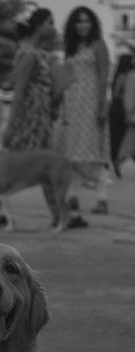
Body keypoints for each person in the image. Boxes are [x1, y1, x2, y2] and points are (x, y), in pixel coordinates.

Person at [0, 8, 57, 226]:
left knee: (40, 165)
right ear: (39, 25)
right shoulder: (29, 53)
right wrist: (12, 124)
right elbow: (19, 89)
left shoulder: (37, 51)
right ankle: (59, 213)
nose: (52, 27)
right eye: (50, 23)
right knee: (34, 164)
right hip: (29, 120)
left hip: (39, 118)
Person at [55, 6, 111, 225]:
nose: (83, 25)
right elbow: (67, 76)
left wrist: (101, 107)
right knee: (70, 153)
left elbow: (104, 76)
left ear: (93, 23)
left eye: (87, 21)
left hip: (91, 104)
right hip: (71, 104)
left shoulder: (99, 45)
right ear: (73, 25)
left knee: (91, 151)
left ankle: (102, 196)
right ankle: (73, 198)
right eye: (79, 21)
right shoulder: (71, 47)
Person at [108, 53, 134, 177]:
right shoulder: (126, 77)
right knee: (123, 138)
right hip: (121, 110)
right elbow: (118, 94)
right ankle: (117, 160)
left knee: (122, 138)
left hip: (118, 109)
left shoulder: (118, 76)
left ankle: (117, 160)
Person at [115, 60, 135, 170]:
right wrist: (128, 112)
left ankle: (119, 160)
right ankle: (119, 160)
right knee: (130, 141)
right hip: (133, 114)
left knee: (130, 140)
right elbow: (129, 96)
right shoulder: (132, 76)